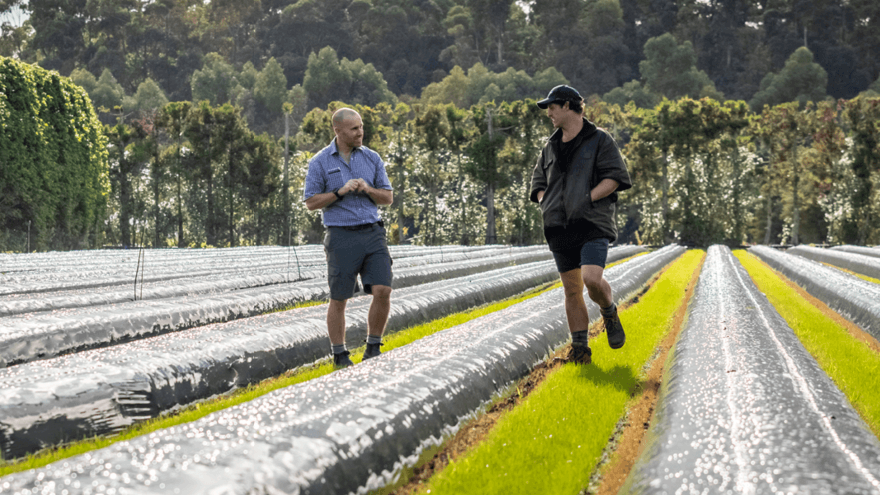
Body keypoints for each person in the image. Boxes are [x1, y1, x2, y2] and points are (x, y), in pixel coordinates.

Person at [529, 85, 633, 365]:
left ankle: (608, 311)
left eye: (552, 106)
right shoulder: (549, 147)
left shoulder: (600, 140)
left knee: (590, 279)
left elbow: (613, 178)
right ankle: (580, 350)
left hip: (592, 223)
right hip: (558, 226)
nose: (548, 112)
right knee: (572, 290)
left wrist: (586, 199)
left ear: (567, 106)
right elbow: (538, 184)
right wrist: (547, 201)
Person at [304, 107, 394, 369]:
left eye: (361, 127)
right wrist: (339, 192)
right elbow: (311, 202)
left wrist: (368, 189)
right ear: (338, 130)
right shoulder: (320, 162)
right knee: (340, 297)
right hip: (341, 236)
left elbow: (387, 197)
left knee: (383, 289)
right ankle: (340, 355)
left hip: (372, 231)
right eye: (354, 129)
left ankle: (373, 347)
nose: (360, 132)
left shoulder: (372, 158)